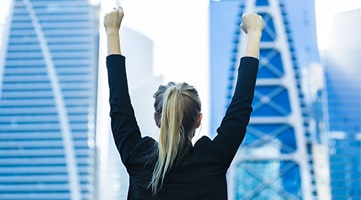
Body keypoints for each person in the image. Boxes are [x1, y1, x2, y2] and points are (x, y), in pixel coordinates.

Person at [104, 7, 264, 200]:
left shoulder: (139, 159)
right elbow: (241, 106)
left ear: (157, 119)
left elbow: (119, 105)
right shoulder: (213, 159)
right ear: (198, 120)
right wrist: (254, 35)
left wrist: (112, 32)